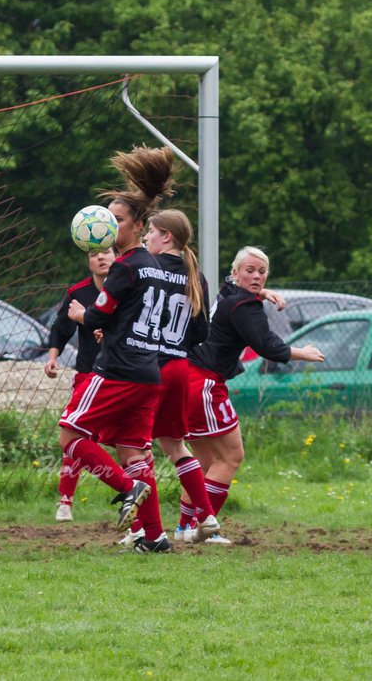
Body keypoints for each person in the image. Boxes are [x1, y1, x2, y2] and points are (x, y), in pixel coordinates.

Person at [63, 146, 175, 553]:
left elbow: (97, 317)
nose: (109, 225)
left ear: (138, 224)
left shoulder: (125, 267)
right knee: (134, 453)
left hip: (119, 369)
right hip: (148, 372)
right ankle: (156, 536)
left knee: (69, 435)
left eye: (118, 220)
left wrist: (83, 317)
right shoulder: (155, 265)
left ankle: (128, 491)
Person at [184, 246, 324, 542]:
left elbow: (230, 290)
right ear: (236, 273)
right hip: (205, 384)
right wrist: (305, 354)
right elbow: (266, 345)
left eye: (262, 272)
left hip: (189, 379)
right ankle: (205, 530)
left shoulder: (231, 295)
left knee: (206, 463)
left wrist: (260, 292)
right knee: (232, 456)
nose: (257, 276)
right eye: (249, 270)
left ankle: (185, 528)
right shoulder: (243, 306)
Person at [131, 208, 223, 544]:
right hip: (180, 367)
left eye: (151, 233)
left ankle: (139, 529)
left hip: (148, 368)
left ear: (166, 236)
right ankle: (207, 516)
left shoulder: (148, 268)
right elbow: (201, 331)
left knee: (134, 448)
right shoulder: (195, 276)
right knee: (176, 446)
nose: (146, 239)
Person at [44, 247, 115, 522]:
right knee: (74, 435)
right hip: (88, 374)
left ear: (116, 256)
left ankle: (132, 493)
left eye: (106, 252)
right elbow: (61, 327)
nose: (101, 257)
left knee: (128, 442)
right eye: (94, 253)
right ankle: (65, 502)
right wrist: (53, 357)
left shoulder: (126, 288)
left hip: (120, 375)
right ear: (88, 262)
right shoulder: (78, 292)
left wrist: (108, 333)